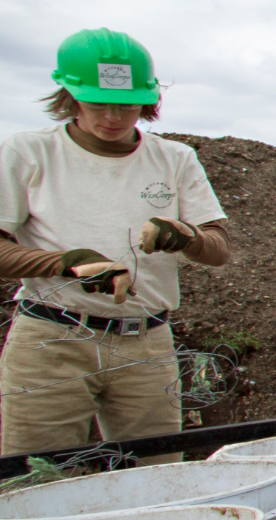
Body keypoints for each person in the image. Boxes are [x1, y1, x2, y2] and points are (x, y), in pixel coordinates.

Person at [0, 28, 233, 461]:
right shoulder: (29, 153)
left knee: (157, 473)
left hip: (145, 341)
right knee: (36, 477)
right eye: (97, 103)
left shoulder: (174, 158)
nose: (112, 116)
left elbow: (219, 248)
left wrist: (185, 236)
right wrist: (64, 264)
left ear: (148, 101)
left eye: (127, 104)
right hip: (53, 339)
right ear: (69, 96)